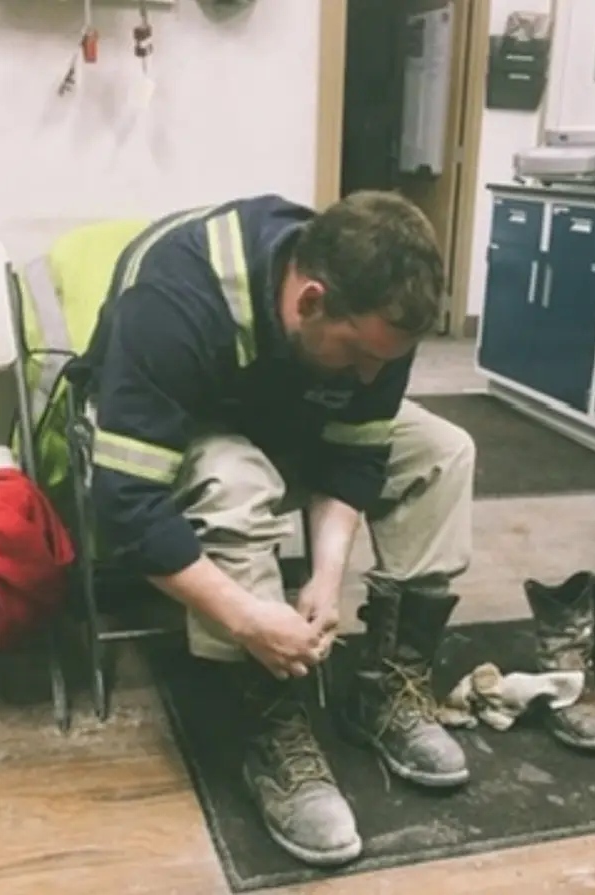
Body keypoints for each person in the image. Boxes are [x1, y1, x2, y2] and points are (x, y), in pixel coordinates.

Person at [79, 191, 476, 866]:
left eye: (387, 358)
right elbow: (125, 504)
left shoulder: (376, 322)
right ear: (310, 300)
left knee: (444, 451)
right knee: (237, 478)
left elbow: (355, 453)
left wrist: (327, 575)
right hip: (166, 433)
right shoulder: (175, 299)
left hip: (282, 416)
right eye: (358, 355)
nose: (373, 374)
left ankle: (388, 687)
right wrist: (245, 618)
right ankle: (270, 719)